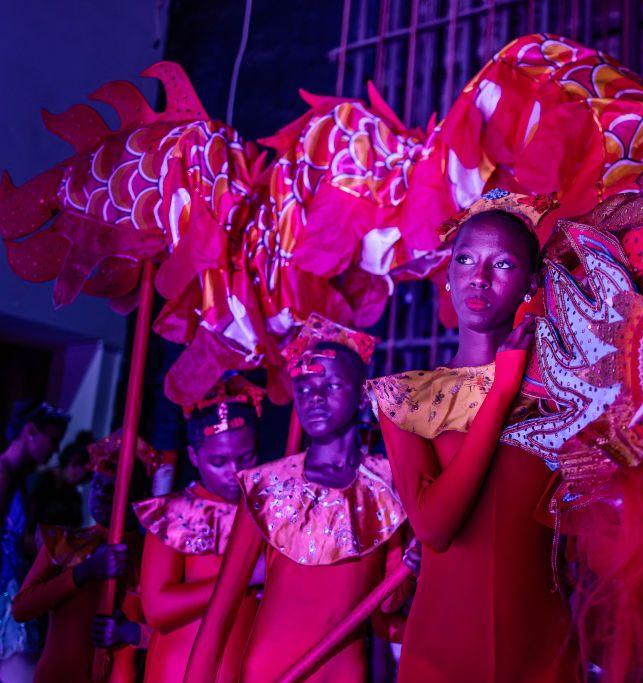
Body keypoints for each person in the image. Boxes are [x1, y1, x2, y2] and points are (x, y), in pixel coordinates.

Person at [367, 189, 577, 682]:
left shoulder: (564, 391)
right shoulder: (406, 399)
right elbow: (436, 529)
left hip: (546, 655)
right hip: (440, 659)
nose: (478, 277)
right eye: (465, 259)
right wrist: (502, 389)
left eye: (502, 264)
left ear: (531, 283)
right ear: (448, 276)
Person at [186, 315, 410, 682]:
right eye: (304, 388)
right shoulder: (265, 486)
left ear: (360, 396)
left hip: (341, 671)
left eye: (331, 385)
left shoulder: (389, 484)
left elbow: (388, 603)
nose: (314, 398)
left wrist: (414, 558)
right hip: (269, 667)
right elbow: (220, 610)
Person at [133, 375, 264, 682]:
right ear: (194, 457)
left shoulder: (266, 513)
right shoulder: (172, 514)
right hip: (180, 671)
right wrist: (247, 575)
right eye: (219, 461)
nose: (234, 472)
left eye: (245, 457)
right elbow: (157, 608)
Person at [11, 431, 149, 683]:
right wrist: (84, 573)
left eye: (113, 489)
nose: (102, 495)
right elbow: (21, 608)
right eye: (97, 485)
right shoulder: (64, 543)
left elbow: (171, 632)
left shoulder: (150, 555)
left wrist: (130, 632)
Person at [0, 400, 69, 682]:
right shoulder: (3, 475)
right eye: (52, 440)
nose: (55, 450)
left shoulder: (19, 478)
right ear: (30, 431)